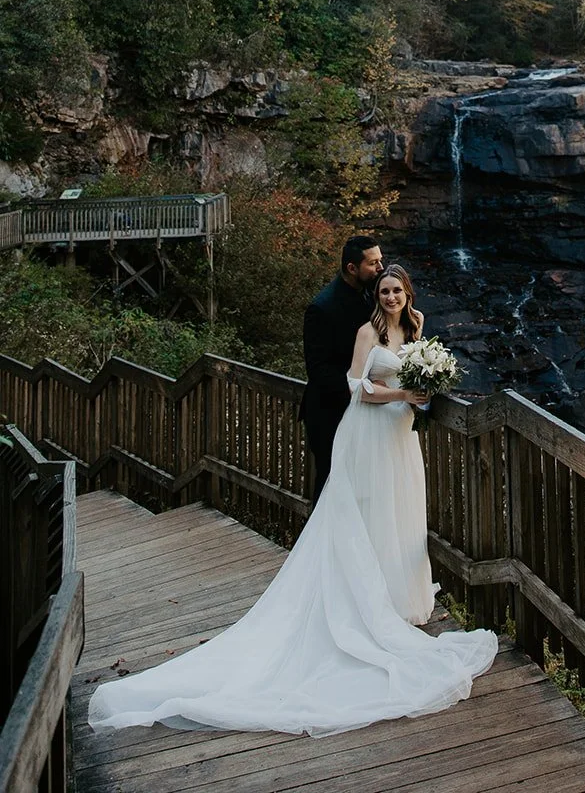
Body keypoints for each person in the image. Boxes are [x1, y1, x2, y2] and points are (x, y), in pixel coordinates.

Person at [88, 265, 497, 736]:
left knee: (398, 510)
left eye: (396, 291)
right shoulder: (368, 332)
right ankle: (366, 605)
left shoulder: (419, 326)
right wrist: (405, 391)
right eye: (383, 290)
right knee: (365, 514)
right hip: (366, 435)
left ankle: (397, 599)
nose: (390, 298)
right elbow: (354, 387)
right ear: (376, 295)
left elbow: (419, 384)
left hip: (401, 437)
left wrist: (425, 396)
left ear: (408, 293)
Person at [300, 233, 383, 501]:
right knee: (330, 489)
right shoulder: (322, 309)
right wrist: (363, 389)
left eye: (380, 261)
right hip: (330, 414)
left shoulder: (373, 295)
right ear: (351, 268)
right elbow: (319, 370)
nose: (380, 268)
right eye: (373, 263)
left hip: (364, 410)